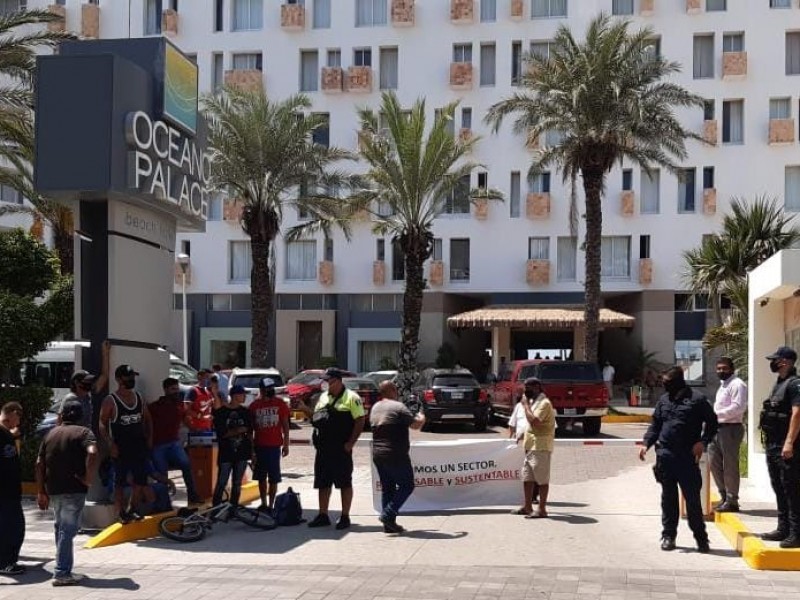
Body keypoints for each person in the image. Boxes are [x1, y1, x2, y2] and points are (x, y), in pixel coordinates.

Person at [639, 366, 717, 553]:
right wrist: (646, 443)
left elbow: (713, 423)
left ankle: (701, 539)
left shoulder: (697, 399)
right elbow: (655, 425)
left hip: (686, 458)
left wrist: (702, 442)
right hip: (665, 457)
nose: (665, 385)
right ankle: (668, 536)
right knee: (668, 500)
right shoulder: (664, 400)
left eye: (667, 382)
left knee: (692, 501)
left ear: (679, 382)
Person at [35, 400, 98, 587]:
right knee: (67, 530)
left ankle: (64, 568)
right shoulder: (85, 432)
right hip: (74, 487)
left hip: (54, 488)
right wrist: (88, 477)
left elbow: (39, 464)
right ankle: (62, 572)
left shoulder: (50, 434)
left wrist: (40, 491)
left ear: (61, 415)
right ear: (80, 416)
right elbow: (93, 452)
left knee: (60, 528)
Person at [297, 367, 366, 530]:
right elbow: (318, 418)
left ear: (338, 380)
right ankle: (323, 515)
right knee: (323, 482)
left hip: (341, 448)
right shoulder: (323, 397)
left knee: (344, 483)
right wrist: (304, 410)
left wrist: (351, 443)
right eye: (325, 381)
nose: (327, 384)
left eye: (329, 381)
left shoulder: (352, 398)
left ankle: (344, 516)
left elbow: (360, 420)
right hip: (323, 448)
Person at [98, 364, 153, 523]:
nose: (131, 380)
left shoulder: (139, 397)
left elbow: (148, 419)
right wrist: (110, 444)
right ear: (118, 379)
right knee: (120, 482)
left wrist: (149, 438)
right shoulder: (111, 400)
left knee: (140, 480)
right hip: (120, 447)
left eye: (132, 377)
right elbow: (101, 423)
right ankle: (120, 512)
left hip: (139, 445)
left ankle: (133, 508)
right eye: (127, 377)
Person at [370, 381, 425, 534]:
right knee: (407, 485)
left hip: (378, 454)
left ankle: (389, 525)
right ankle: (388, 514)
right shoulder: (398, 406)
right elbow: (415, 425)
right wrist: (422, 417)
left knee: (387, 488)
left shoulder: (375, 407)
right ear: (393, 390)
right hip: (395, 454)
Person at [759, 346, 800, 547]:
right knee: (779, 487)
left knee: (790, 488)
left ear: (784, 361)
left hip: (786, 445)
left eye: (775, 360)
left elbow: (797, 414)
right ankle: (783, 529)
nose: (773, 363)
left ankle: (795, 533)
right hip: (773, 444)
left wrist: (789, 442)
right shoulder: (780, 383)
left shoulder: (795, 384)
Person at [149, 377, 201, 504]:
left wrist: (195, 430)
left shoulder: (179, 405)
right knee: (162, 474)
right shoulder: (155, 407)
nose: (176, 392)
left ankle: (193, 496)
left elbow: (185, 419)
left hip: (174, 443)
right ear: (165, 390)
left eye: (177, 389)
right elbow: (147, 424)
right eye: (173, 389)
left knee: (186, 466)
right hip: (158, 445)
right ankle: (164, 503)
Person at [709, 356, 747, 513]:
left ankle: (732, 500)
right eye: (718, 368)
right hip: (717, 428)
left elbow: (738, 408)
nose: (721, 371)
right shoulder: (723, 385)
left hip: (731, 429)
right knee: (713, 463)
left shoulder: (738, 385)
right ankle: (724, 495)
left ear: (732, 369)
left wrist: (715, 415)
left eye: (724, 368)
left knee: (730, 465)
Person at [516, 378, 555, 518]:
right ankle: (527, 506)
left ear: (537, 387)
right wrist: (522, 433)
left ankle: (542, 509)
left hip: (541, 446)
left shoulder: (544, 403)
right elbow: (530, 423)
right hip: (531, 445)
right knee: (527, 477)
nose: (525, 391)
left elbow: (535, 422)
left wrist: (525, 405)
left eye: (528, 387)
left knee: (542, 479)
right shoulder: (535, 402)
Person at [249, 378, 290, 512]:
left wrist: (286, 443)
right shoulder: (254, 406)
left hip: (274, 446)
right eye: (267, 389)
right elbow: (250, 430)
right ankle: (264, 503)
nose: (270, 391)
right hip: (259, 446)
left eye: (272, 388)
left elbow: (285, 425)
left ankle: (271, 505)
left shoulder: (280, 404)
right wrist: (252, 451)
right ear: (261, 390)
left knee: (274, 478)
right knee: (261, 477)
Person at [212, 385, 252, 507]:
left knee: (237, 483)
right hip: (226, 453)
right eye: (242, 394)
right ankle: (216, 507)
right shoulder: (221, 413)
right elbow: (222, 433)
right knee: (222, 482)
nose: (245, 396)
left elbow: (249, 432)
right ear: (235, 396)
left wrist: (252, 452)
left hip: (242, 452)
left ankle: (233, 508)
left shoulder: (245, 412)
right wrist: (240, 430)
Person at [57, 340, 110, 431]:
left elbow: (104, 376)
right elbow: (59, 422)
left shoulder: (89, 395)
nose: (89, 384)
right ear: (77, 383)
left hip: (85, 436)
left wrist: (105, 353)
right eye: (86, 381)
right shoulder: (70, 399)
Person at [0, 402, 25, 577]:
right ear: (12, 413)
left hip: (9, 491)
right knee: (13, 528)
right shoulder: (2, 433)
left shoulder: (6, 434)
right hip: (5, 491)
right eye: (18, 417)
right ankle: (6, 562)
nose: (19, 421)